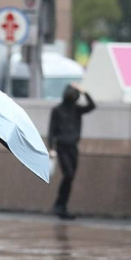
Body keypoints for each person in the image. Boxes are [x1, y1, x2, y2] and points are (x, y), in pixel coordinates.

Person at [47, 83, 96, 220]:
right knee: (68, 174)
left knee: (71, 176)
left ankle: (62, 205)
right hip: (62, 147)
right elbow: (51, 131)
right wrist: (51, 148)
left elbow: (92, 106)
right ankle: (59, 204)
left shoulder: (76, 109)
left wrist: (84, 91)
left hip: (73, 147)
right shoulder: (57, 110)